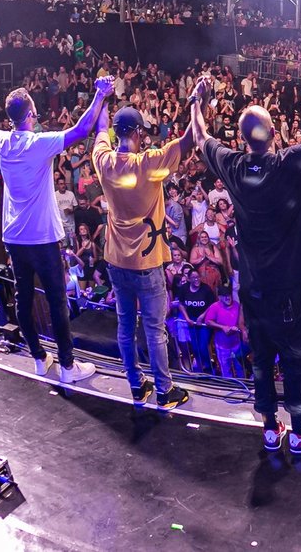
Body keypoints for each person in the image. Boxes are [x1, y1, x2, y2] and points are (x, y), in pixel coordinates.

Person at [195, 66, 301, 454]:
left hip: (252, 286)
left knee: (261, 357)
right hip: (286, 286)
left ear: (243, 139)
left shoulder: (233, 165)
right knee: (293, 355)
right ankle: (300, 431)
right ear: (274, 133)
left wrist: (195, 102)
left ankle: (271, 428)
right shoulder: (289, 162)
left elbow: (201, 137)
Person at [0, 74, 112, 384]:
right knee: (57, 301)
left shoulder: (1, 141)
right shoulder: (39, 144)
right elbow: (82, 130)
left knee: (22, 298)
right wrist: (100, 94)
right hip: (43, 239)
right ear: (32, 114)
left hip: (14, 238)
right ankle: (67, 367)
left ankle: (39, 358)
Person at [90, 98, 197, 409]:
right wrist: (197, 102)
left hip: (115, 261)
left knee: (125, 324)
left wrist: (102, 97)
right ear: (137, 132)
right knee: (154, 329)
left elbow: (100, 128)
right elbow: (189, 140)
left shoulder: (103, 161)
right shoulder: (149, 164)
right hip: (146, 263)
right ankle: (164, 390)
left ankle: (137, 386)